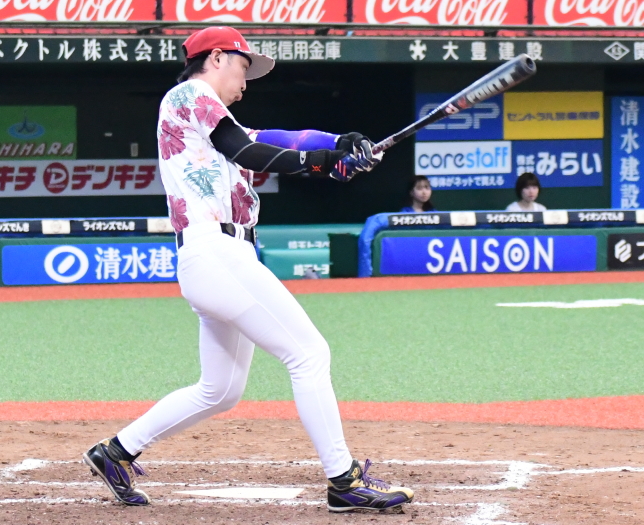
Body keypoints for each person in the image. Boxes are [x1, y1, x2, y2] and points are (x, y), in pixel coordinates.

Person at [82, 26, 414, 513]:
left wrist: (341, 143)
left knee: (219, 390)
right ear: (216, 58)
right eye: (243, 66)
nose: (246, 80)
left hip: (218, 259)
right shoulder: (189, 96)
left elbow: (275, 139)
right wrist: (324, 162)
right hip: (216, 252)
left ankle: (115, 453)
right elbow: (249, 150)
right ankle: (343, 481)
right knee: (309, 355)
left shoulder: (212, 124)